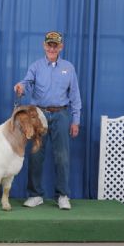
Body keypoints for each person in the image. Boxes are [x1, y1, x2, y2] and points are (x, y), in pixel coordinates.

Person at [14, 31, 82, 210]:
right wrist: (21, 87)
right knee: (36, 155)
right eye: (49, 45)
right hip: (38, 115)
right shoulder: (36, 66)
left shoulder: (69, 68)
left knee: (62, 156)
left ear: (61, 47)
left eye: (55, 45)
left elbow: (75, 96)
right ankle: (35, 195)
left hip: (61, 114)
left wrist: (76, 120)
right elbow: (27, 83)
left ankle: (63, 195)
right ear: (44, 46)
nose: (52, 48)